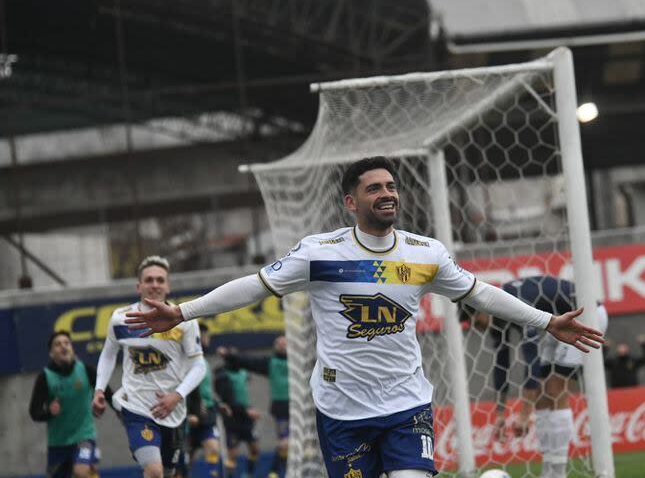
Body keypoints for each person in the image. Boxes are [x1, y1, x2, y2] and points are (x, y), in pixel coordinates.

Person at [125, 156, 604, 478]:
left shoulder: (426, 254)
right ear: (352, 202)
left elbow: (480, 293)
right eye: (374, 188)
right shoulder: (319, 253)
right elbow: (254, 285)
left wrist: (544, 321)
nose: (387, 193)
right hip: (342, 408)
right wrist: (182, 311)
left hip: (406, 402)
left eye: (391, 186)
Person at [467, 276, 608, 478]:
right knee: (541, 394)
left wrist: (524, 415)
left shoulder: (516, 303)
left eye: (473, 319)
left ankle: (558, 473)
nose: (473, 325)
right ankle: (548, 470)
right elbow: (502, 365)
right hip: (560, 324)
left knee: (554, 388)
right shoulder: (498, 318)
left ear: (480, 309)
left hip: (587, 317)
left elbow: (530, 359)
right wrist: (500, 414)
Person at [92, 256, 207, 478]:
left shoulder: (184, 321)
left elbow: (199, 365)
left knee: (170, 473)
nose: (155, 284)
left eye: (160, 280)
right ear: (139, 286)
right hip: (137, 408)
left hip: (173, 411)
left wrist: (177, 395)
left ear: (168, 285)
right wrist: (99, 389)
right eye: (149, 279)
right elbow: (108, 355)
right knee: (154, 471)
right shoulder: (120, 318)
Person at [29, 331, 111, 478]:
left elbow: (107, 391)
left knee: (81, 471)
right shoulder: (45, 377)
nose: (63, 347)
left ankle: (89, 469)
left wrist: (120, 412)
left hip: (84, 436)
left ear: (72, 349)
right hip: (57, 443)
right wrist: (49, 412)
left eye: (67, 343)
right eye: (58, 344)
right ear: (51, 353)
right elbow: (34, 412)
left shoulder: (85, 370)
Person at [220, 334, 290, 478]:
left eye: (285, 344)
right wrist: (230, 356)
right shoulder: (271, 362)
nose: (283, 346)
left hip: (298, 408)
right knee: (285, 442)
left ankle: (257, 473)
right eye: (280, 344)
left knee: (257, 448)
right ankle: (273, 472)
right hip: (279, 408)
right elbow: (250, 361)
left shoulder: (298, 362)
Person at [214, 347, 261, 478]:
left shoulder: (243, 372)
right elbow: (228, 400)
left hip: (246, 417)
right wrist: (247, 411)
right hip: (232, 417)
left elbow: (246, 380)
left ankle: (249, 474)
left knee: (255, 448)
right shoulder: (222, 375)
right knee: (232, 453)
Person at [184, 323, 222, 478]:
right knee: (186, 459)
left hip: (206, 416)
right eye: (205, 336)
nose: (208, 339)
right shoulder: (186, 360)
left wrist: (218, 404)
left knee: (213, 448)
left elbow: (206, 391)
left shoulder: (204, 361)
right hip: (189, 417)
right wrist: (191, 412)